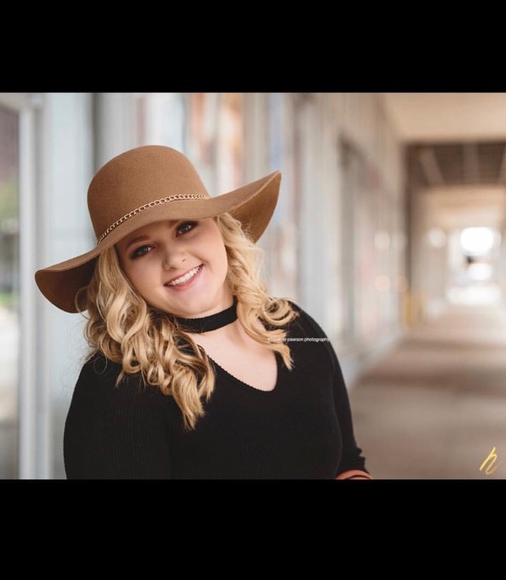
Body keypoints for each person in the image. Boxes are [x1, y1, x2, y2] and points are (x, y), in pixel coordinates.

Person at [35, 144, 372, 480]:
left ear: (220, 227)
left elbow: (347, 461)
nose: (174, 258)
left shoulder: (295, 327)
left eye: (185, 227)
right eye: (143, 249)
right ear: (121, 273)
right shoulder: (119, 382)